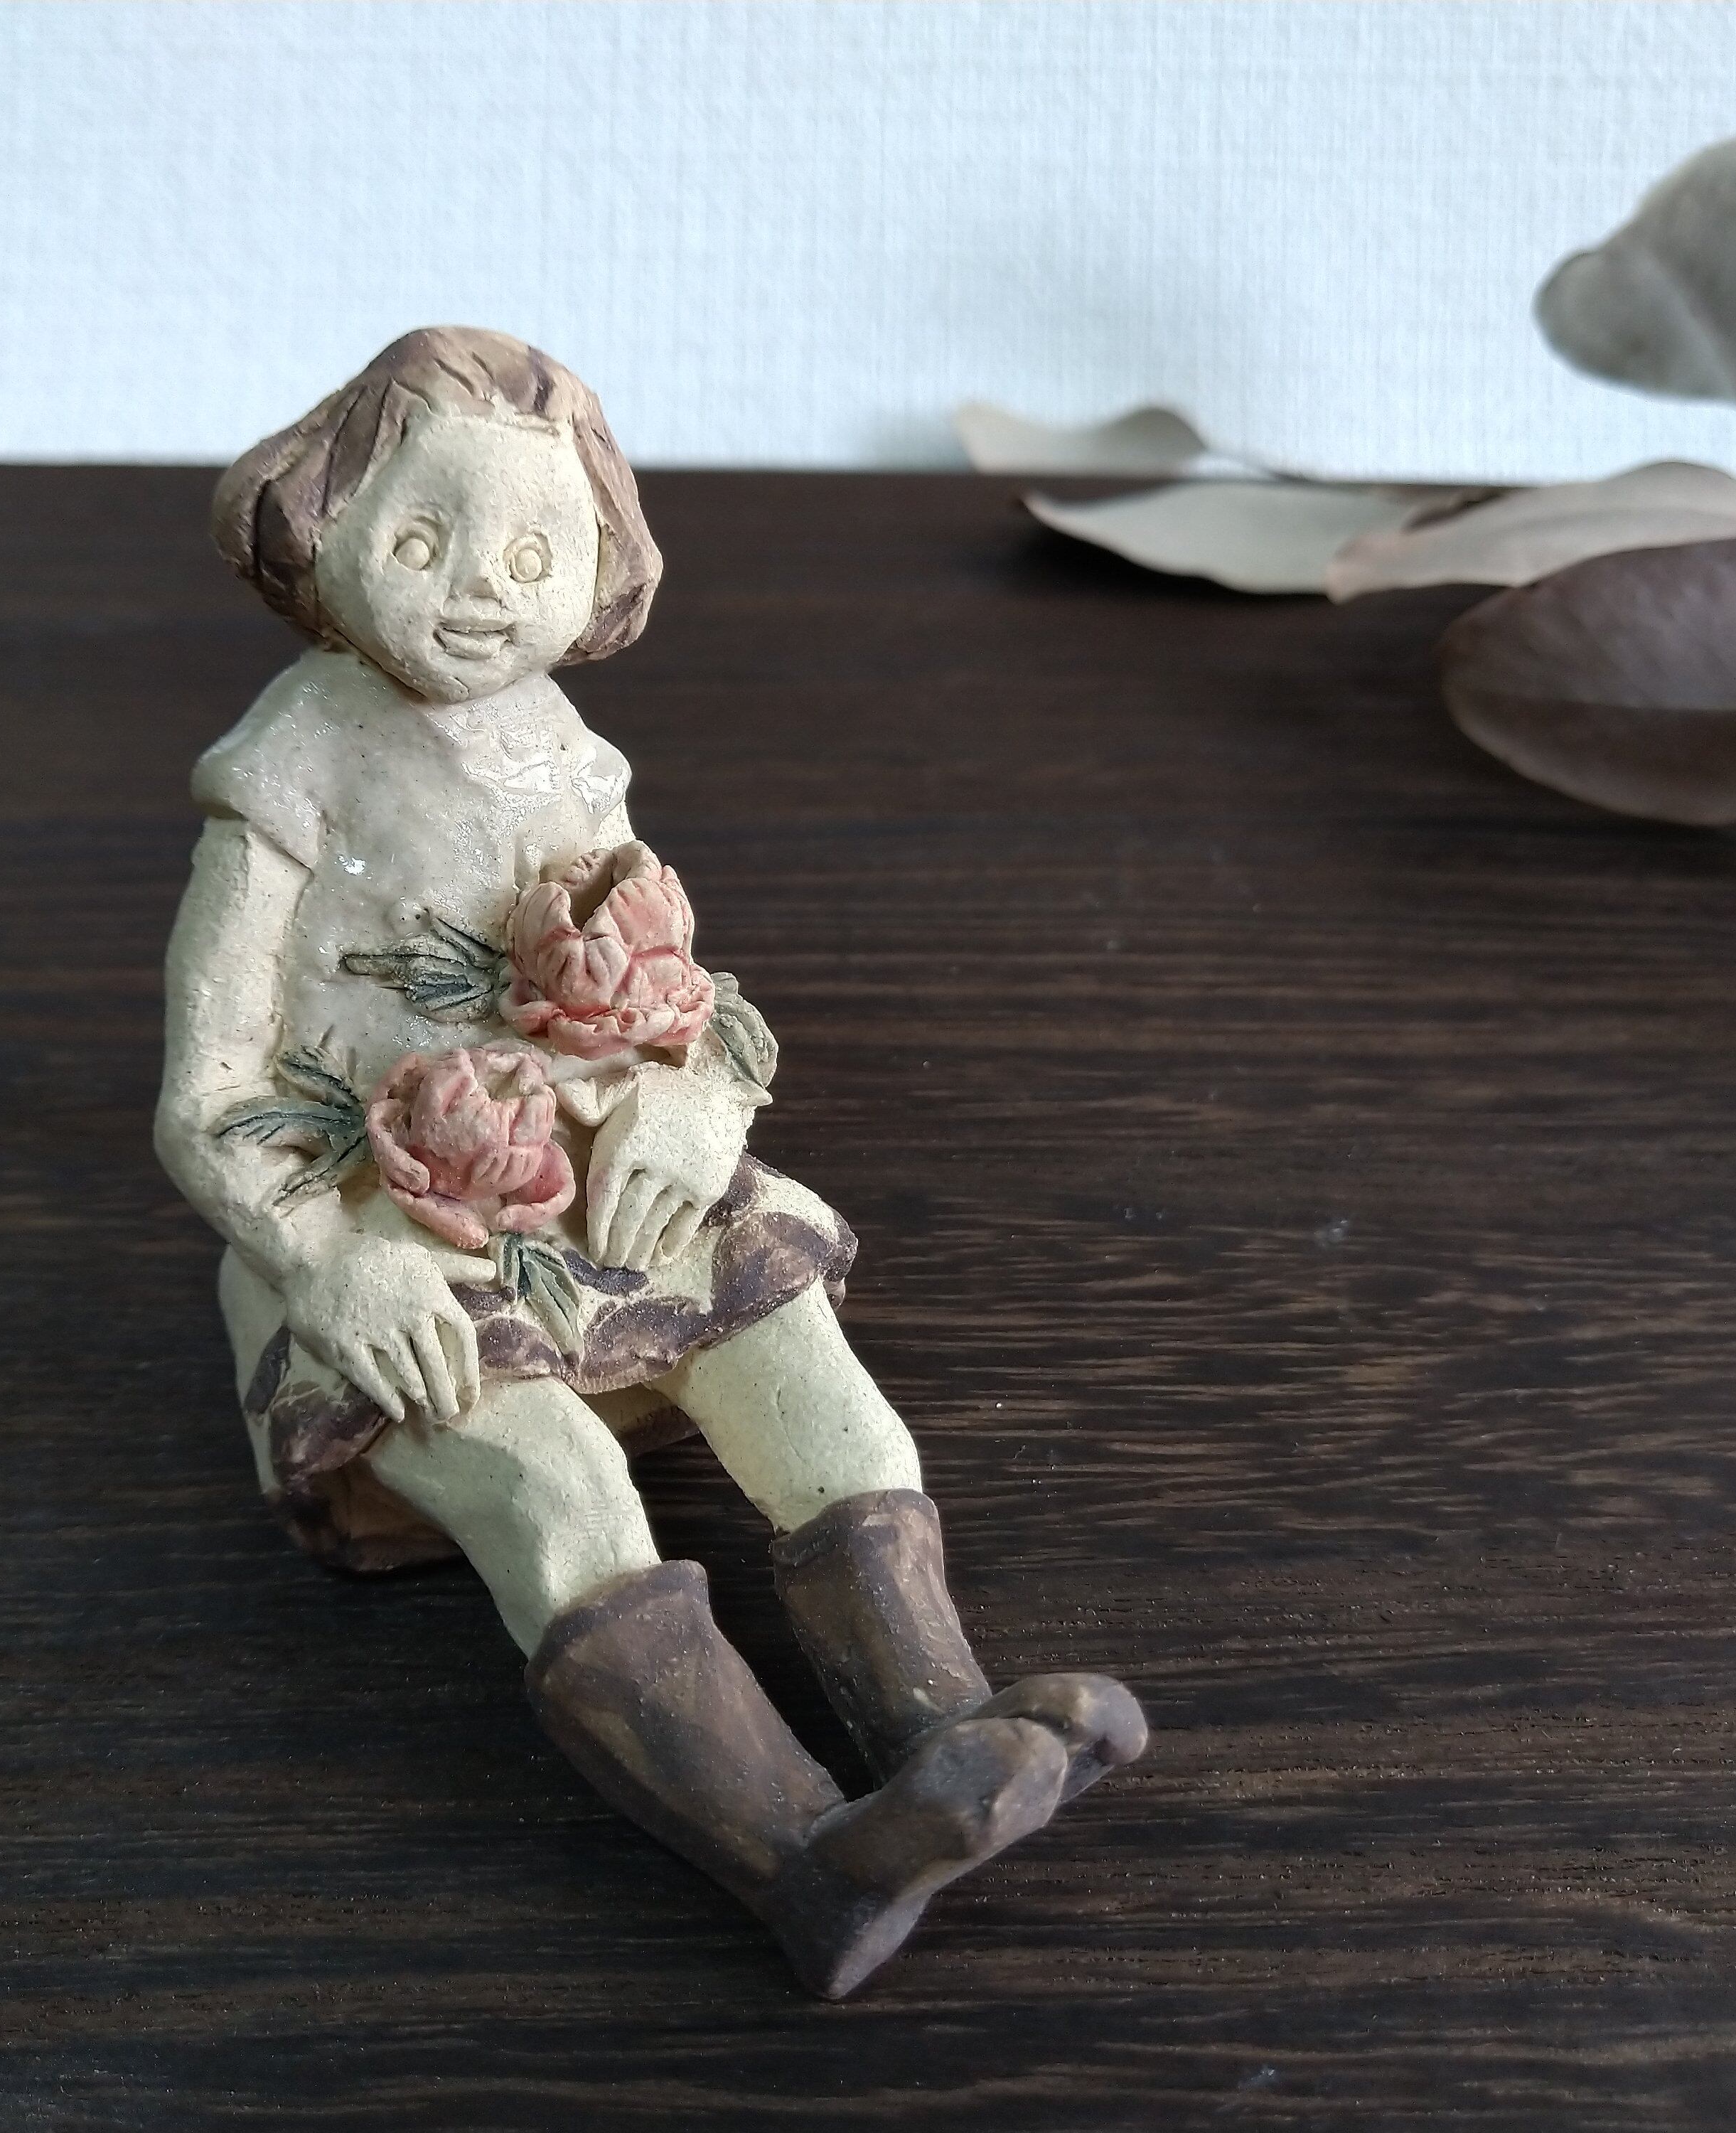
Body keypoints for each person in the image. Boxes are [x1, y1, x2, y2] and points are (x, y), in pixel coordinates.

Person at [156, 326, 1145, 1996]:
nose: (480, 594)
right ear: (320, 530)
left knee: (814, 1381)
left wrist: (694, 1104)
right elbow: (206, 1094)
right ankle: (796, 1857)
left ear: (604, 565)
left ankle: (943, 1728)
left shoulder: (569, 760)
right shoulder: (289, 772)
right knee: (556, 1484)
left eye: (535, 553)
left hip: (599, 1187)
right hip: (386, 1238)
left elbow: (678, 987)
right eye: (421, 539)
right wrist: (328, 1259)